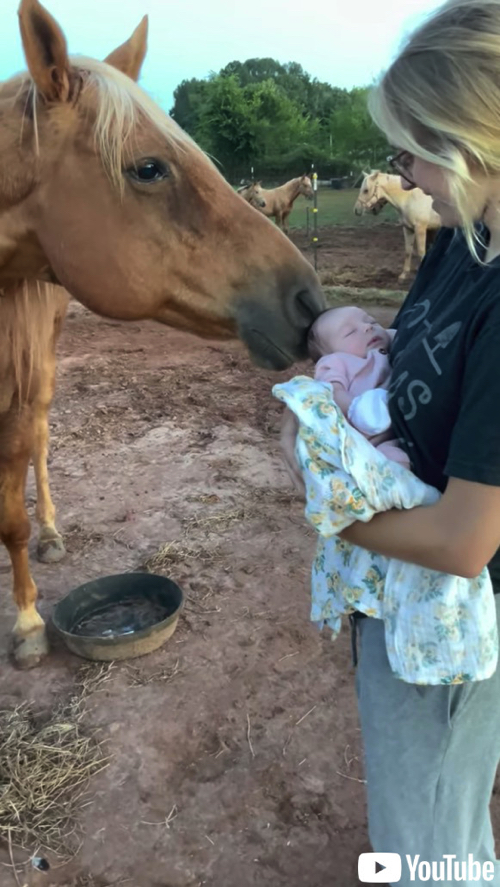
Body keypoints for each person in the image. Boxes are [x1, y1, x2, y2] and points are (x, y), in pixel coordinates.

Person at [280, 1, 500, 882]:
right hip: (395, 603)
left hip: (445, 631)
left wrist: (330, 506)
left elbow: (465, 538)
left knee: (424, 844)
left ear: (472, 137)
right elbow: (405, 363)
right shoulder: (462, 243)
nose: (399, 169)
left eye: (412, 147)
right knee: (437, 816)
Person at [307, 305, 410, 467]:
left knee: (399, 456)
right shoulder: (336, 362)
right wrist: (354, 408)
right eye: (350, 332)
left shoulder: (391, 340)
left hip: (398, 432)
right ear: (330, 352)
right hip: (362, 435)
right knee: (389, 459)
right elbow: (332, 391)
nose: (368, 327)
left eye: (371, 321)